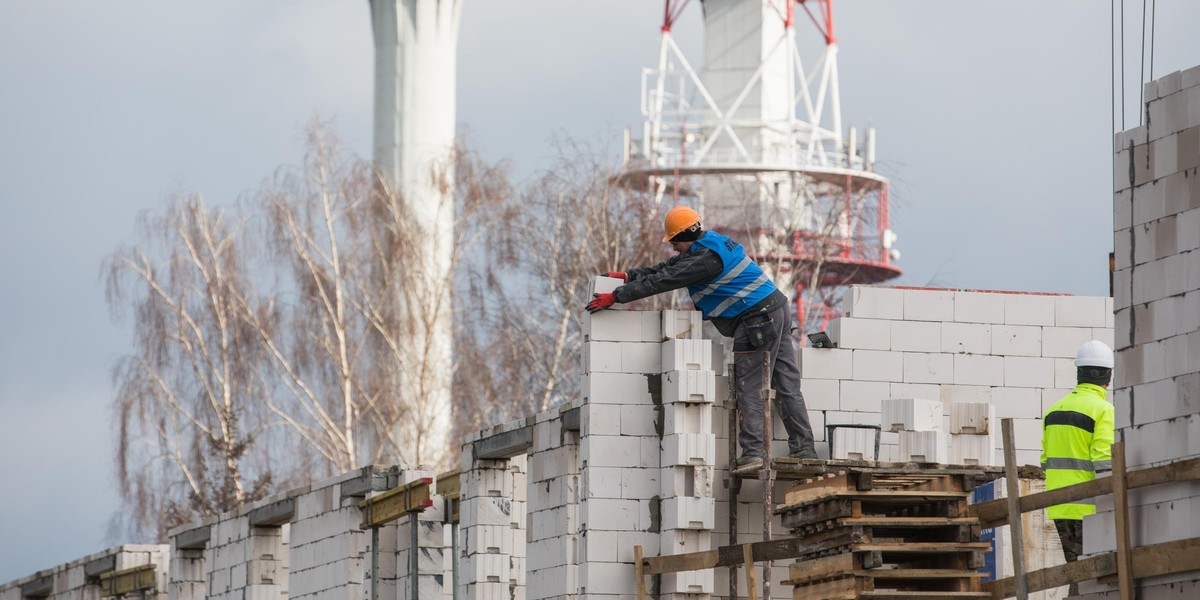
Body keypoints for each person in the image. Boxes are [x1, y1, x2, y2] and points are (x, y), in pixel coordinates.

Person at [585, 205, 818, 470]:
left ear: (681, 236)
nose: (673, 247)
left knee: (749, 385)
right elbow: (666, 269)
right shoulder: (709, 243)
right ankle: (804, 448)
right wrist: (629, 276)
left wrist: (616, 297)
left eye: (674, 241)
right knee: (786, 384)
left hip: (756, 321)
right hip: (776, 311)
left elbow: (664, 281)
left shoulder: (703, 261)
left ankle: (753, 453)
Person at [1041, 339, 1115, 593]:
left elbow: (1045, 461)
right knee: (1094, 578)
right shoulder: (1104, 410)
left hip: (1060, 507)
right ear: (1108, 375)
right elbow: (1105, 463)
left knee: (1077, 574)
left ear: (1079, 373)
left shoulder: (1054, 410)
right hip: (1090, 510)